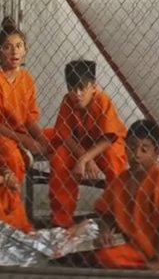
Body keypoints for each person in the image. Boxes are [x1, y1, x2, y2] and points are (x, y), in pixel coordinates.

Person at [90, 120, 159, 269]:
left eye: (144, 150)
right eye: (132, 148)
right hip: (136, 246)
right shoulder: (122, 179)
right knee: (99, 254)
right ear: (125, 149)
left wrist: (158, 259)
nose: (136, 155)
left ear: (156, 153)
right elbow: (106, 212)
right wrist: (105, 231)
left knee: (106, 257)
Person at [49, 60, 128, 227]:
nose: (77, 94)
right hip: (81, 146)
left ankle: (116, 216)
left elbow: (109, 137)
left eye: (82, 88)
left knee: (113, 158)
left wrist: (85, 159)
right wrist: (85, 158)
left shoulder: (102, 100)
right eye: (72, 89)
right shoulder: (68, 101)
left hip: (105, 145)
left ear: (93, 87)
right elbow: (65, 135)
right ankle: (61, 220)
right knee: (59, 158)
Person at [0, 16, 51, 181]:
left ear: (25, 50)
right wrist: (25, 140)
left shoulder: (26, 78)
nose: (14, 52)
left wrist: (42, 140)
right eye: (8, 47)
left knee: (57, 139)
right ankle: (12, 196)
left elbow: (29, 119)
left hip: (19, 132)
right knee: (12, 156)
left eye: (19, 46)